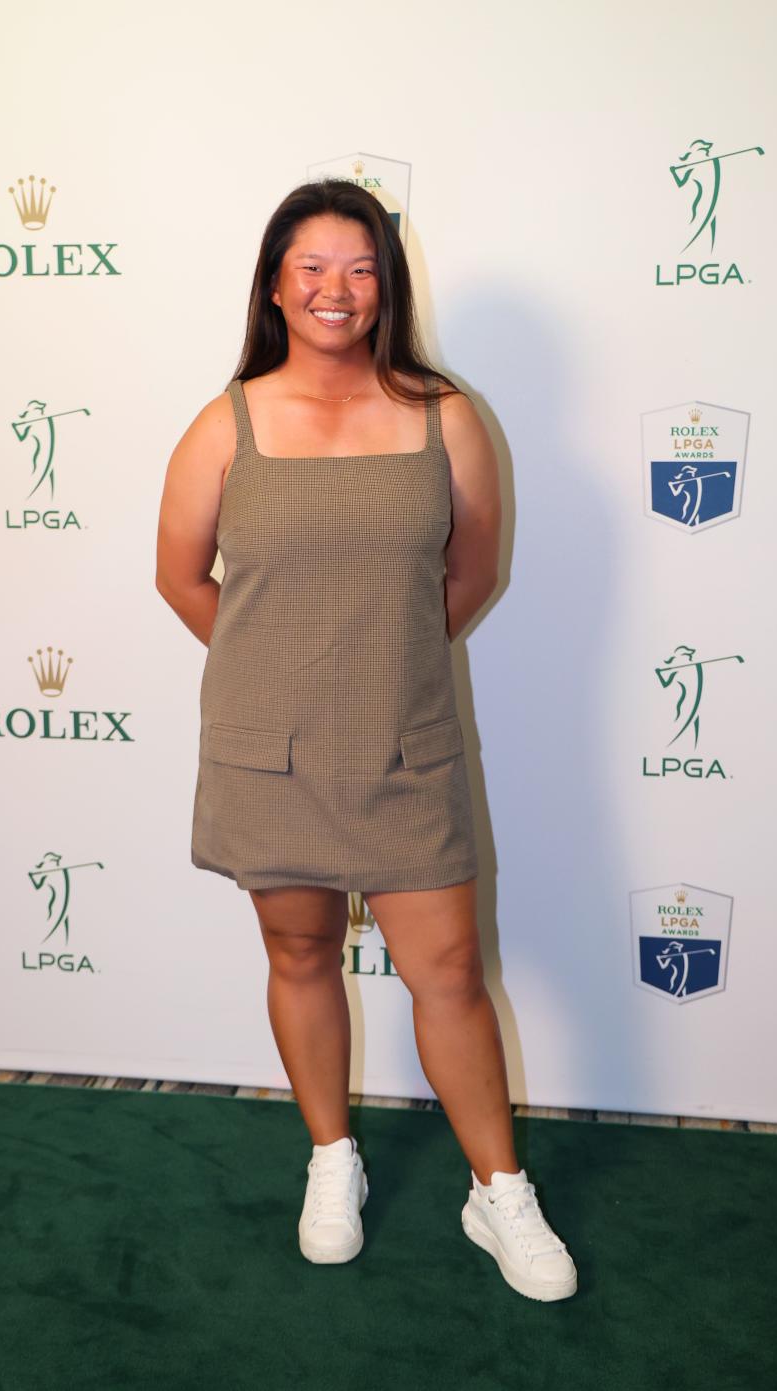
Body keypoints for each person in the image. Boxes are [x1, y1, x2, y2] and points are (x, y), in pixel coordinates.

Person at [155, 179, 577, 1302]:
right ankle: (332, 1156)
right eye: (312, 268)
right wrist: (276, 673)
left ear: (386, 285)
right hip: (268, 752)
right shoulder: (226, 420)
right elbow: (180, 576)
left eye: (360, 268)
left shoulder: (446, 416)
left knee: (446, 973)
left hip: (407, 748)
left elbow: (473, 570)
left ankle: (498, 1189)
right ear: (276, 286)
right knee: (300, 955)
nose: (336, 290)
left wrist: (380, 671)